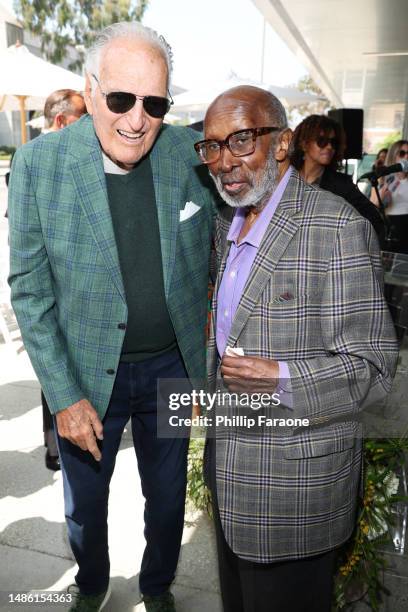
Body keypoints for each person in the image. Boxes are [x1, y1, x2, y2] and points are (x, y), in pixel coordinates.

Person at [8, 21, 216, 612]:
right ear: (91, 88)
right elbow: (29, 289)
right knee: (85, 502)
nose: (136, 119)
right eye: (122, 99)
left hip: (171, 370)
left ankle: (157, 587)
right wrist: (63, 394)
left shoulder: (190, 154)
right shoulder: (40, 165)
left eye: (155, 103)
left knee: (170, 496)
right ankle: (93, 582)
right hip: (84, 372)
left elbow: (223, 257)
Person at [194, 86, 398, 612]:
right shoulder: (227, 221)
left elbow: (376, 367)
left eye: (241, 140)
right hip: (230, 470)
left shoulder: (338, 227)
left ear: (283, 143)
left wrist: (282, 377)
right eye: (212, 146)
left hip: (297, 491)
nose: (223, 161)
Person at [41, 89, 86, 472]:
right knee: (54, 379)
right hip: (57, 300)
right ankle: (55, 447)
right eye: (81, 117)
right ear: (61, 121)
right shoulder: (36, 165)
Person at [290, 114, 384, 238]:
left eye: (333, 142)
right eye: (322, 141)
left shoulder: (342, 185)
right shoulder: (286, 177)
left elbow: (374, 221)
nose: (329, 147)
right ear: (303, 144)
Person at [377, 139, 408, 253]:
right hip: (390, 228)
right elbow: (377, 206)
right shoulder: (386, 178)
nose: (406, 156)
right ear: (394, 155)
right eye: (402, 153)